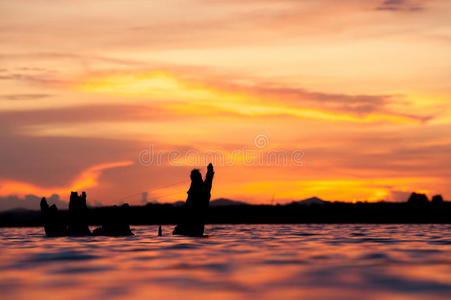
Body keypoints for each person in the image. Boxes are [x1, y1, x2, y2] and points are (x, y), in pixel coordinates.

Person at [173, 163, 214, 236]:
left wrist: (210, 171)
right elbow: (209, 179)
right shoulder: (201, 190)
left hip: (192, 228)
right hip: (187, 228)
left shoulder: (203, 190)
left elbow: (209, 178)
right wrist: (210, 171)